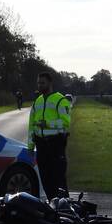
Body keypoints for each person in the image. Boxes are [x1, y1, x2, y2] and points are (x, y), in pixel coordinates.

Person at [27, 72, 72, 200]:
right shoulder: (37, 102)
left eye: (42, 83)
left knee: (59, 181)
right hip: (41, 146)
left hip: (55, 145)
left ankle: (64, 210)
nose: (40, 85)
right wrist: (30, 146)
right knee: (46, 180)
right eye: (38, 83)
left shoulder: (60, 100)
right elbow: (31, 126)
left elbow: (66, 122)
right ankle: (52, 207)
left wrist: (47, 124)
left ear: (50, 83)